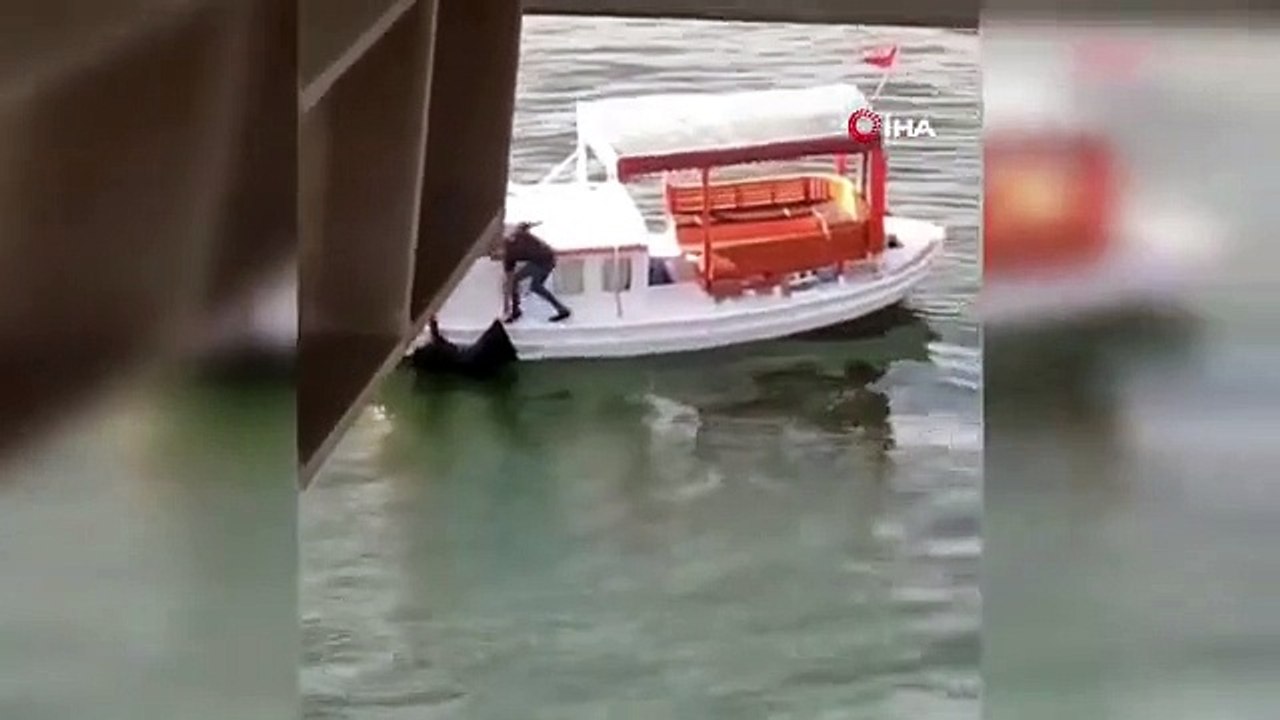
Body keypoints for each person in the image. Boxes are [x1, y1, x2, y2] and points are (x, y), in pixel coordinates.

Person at [501, 221, 571, 323]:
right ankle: (562, 309)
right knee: (536, 287)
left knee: (519, 281)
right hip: (547, 259)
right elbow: (509, 280)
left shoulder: (511, 249)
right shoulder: (516, 241)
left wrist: (507, 307)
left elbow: (510, 280)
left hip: (543, 261)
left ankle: (516, 312)